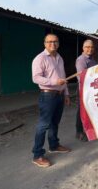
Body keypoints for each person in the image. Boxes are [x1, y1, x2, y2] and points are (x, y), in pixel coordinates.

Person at [31, 34, 71, 168]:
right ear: (44, 43)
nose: (52, 44)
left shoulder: (59, 58)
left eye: (55, 41)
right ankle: (37, 155)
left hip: (59, 95)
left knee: (55, 123)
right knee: (43, 125)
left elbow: (63, 77)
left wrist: (66, 93)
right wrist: (54, 82)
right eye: (49, 41)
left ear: (58, 43)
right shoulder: (40, 58)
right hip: (47, 95)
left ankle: (53, 145)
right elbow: (36, 78)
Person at [75, 39, 96, 141]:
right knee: (81, 111)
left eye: (92, 47)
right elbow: (81, 77)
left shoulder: (93, 60)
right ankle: (79, 132)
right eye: (87, 47)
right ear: (83, 48)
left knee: (90, 110)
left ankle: (89, 129)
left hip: (92, 90)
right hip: (83, 90)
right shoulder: (81, 60)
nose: (90, 49)